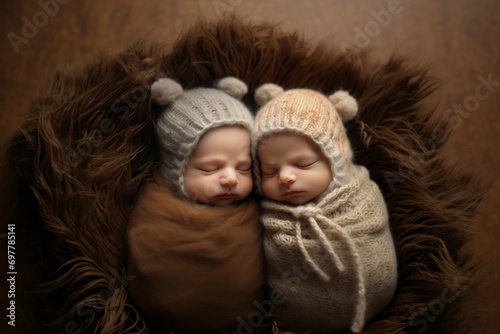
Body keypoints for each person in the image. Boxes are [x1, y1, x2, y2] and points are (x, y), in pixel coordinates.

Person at [253, 84, 398, 333]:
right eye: (271, 170)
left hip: (379, 306)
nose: (285, 176)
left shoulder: (361, 196)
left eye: (303, 163)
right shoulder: (268, 215)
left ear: (336, 160)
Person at [126, 77, 264, 332]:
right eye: (210, 168)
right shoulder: (157, 211)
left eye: (243, 168)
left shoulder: (258, 210)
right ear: (175, 170)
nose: (231, 179)